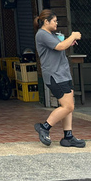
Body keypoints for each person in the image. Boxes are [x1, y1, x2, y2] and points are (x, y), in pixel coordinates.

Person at [33, 9, 85, 148]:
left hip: (63, 73)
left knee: (67, 107)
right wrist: (73, 35)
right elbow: (60, 46)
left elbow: (62, 45)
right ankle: (44, 127)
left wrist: (70, 41)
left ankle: (68, 137)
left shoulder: (51, 34)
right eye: (54, 21)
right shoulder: (42, 34)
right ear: (46, 21)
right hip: (55, 74)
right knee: (68, 106)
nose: (56, 23)